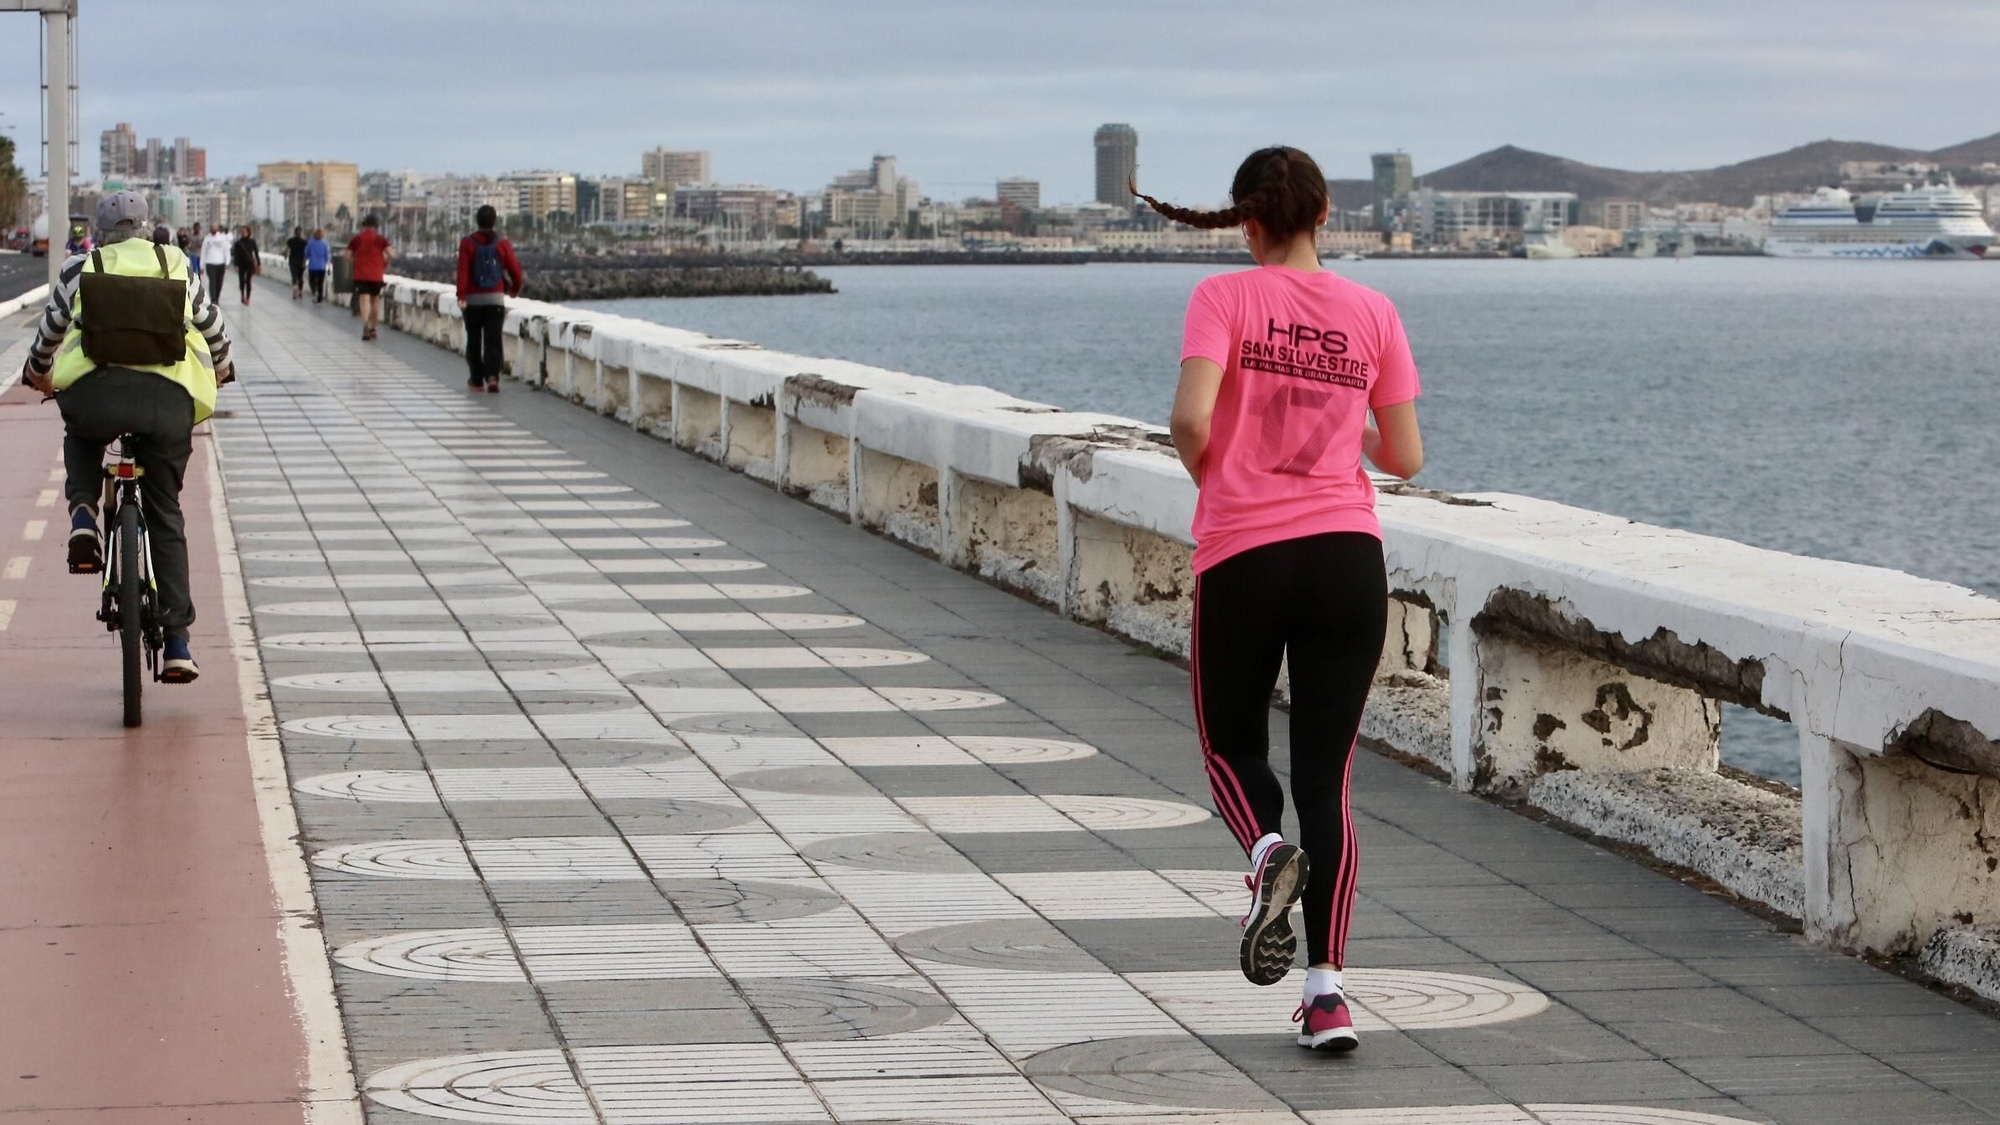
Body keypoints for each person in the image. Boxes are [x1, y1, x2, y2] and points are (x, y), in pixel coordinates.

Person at [1135, 147, 1423, 1053]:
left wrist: (1222, 481)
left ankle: (1265, 854)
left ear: (1246, 224)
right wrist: (1340, 416)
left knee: (1231, 743)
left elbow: (1189, 420)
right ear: (1326, 212)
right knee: (1325, 778)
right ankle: (1328, 995)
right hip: (1347, 557)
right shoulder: (1374, 311)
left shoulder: (1223, 298)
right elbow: (1405, 455)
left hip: (1247, 554)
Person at [19, 191, 235, 684]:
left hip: (97, 398)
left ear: (101, 229)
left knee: (80, 429)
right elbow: (214, 328)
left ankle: (82, 514)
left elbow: (50, 334)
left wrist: (37, 372)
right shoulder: (175, 262)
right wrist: (221, 369)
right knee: (165, 513)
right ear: (145, 228)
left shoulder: (82, 267)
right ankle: (178, 642)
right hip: (166, 405)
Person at [455, 204, 525, 393]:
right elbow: (515, 270)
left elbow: (462, 271)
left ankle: (476, 380)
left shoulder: (467, 243)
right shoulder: (502, 243)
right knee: (493, 339)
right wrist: (515, 289)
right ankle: (492, 377)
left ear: (477, 221)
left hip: (473, 300)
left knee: (474, 339)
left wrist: (461, 295)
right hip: (495, 298)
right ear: (494, 221)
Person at [345, 214, 392, 341]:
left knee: (364, 300)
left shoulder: (357, 239)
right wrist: (384, 264)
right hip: (376, 275)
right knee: (375, 301)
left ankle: (366, 324)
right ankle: (373, 328)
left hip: (361, 274)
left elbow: (347, 256)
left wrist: (356, 262)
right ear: (376, 226)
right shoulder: (381, 239)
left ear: (364, 225)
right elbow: (391, 254)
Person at [199, 223, 231, 299]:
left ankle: (217, 297)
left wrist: (227, 262)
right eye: (211, 227)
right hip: (210, 263)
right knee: (212, 282)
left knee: (219, 283)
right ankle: (213, 299)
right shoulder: (207, 239)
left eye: (214, 227)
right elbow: (203, 252)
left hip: (220, 263)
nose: (213, 229)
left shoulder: (222, 238)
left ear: (217, 228)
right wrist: (201, 266)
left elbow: (227, 251)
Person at [231, 225, 260, 305]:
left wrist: (259, 264)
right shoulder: (238, 243)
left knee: (248, 281)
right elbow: (235, 255)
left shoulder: (252, 242)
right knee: (241, 281)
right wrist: (235, 265)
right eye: (242, 231)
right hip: (241, 264)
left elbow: (256, 253)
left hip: (250, 264)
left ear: (248, 232)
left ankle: (248, 298)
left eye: (244, 231)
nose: (243, 233)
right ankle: (242, 294)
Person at [305, 228, 330, 304]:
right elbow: (327, 257)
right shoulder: (325, 244)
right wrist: (328, 267)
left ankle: (314, 290)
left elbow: (306, 254)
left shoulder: (310, 243)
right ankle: (319, 298)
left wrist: (304, 261)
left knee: (311, 281)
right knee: (320, 283)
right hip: (322, 267)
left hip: (312, 266)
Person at [285, 226, 308, 301]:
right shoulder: (304, 241)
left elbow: (286, 250)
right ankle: (300, 291)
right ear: (301, 232)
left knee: (294, 277)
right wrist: (305, 261)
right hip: (301, 261)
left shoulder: (290, 240)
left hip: (292, 261)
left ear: (294, 232)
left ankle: (295, 293)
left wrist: (285, 255)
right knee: (300, 277)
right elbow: (306, 253)